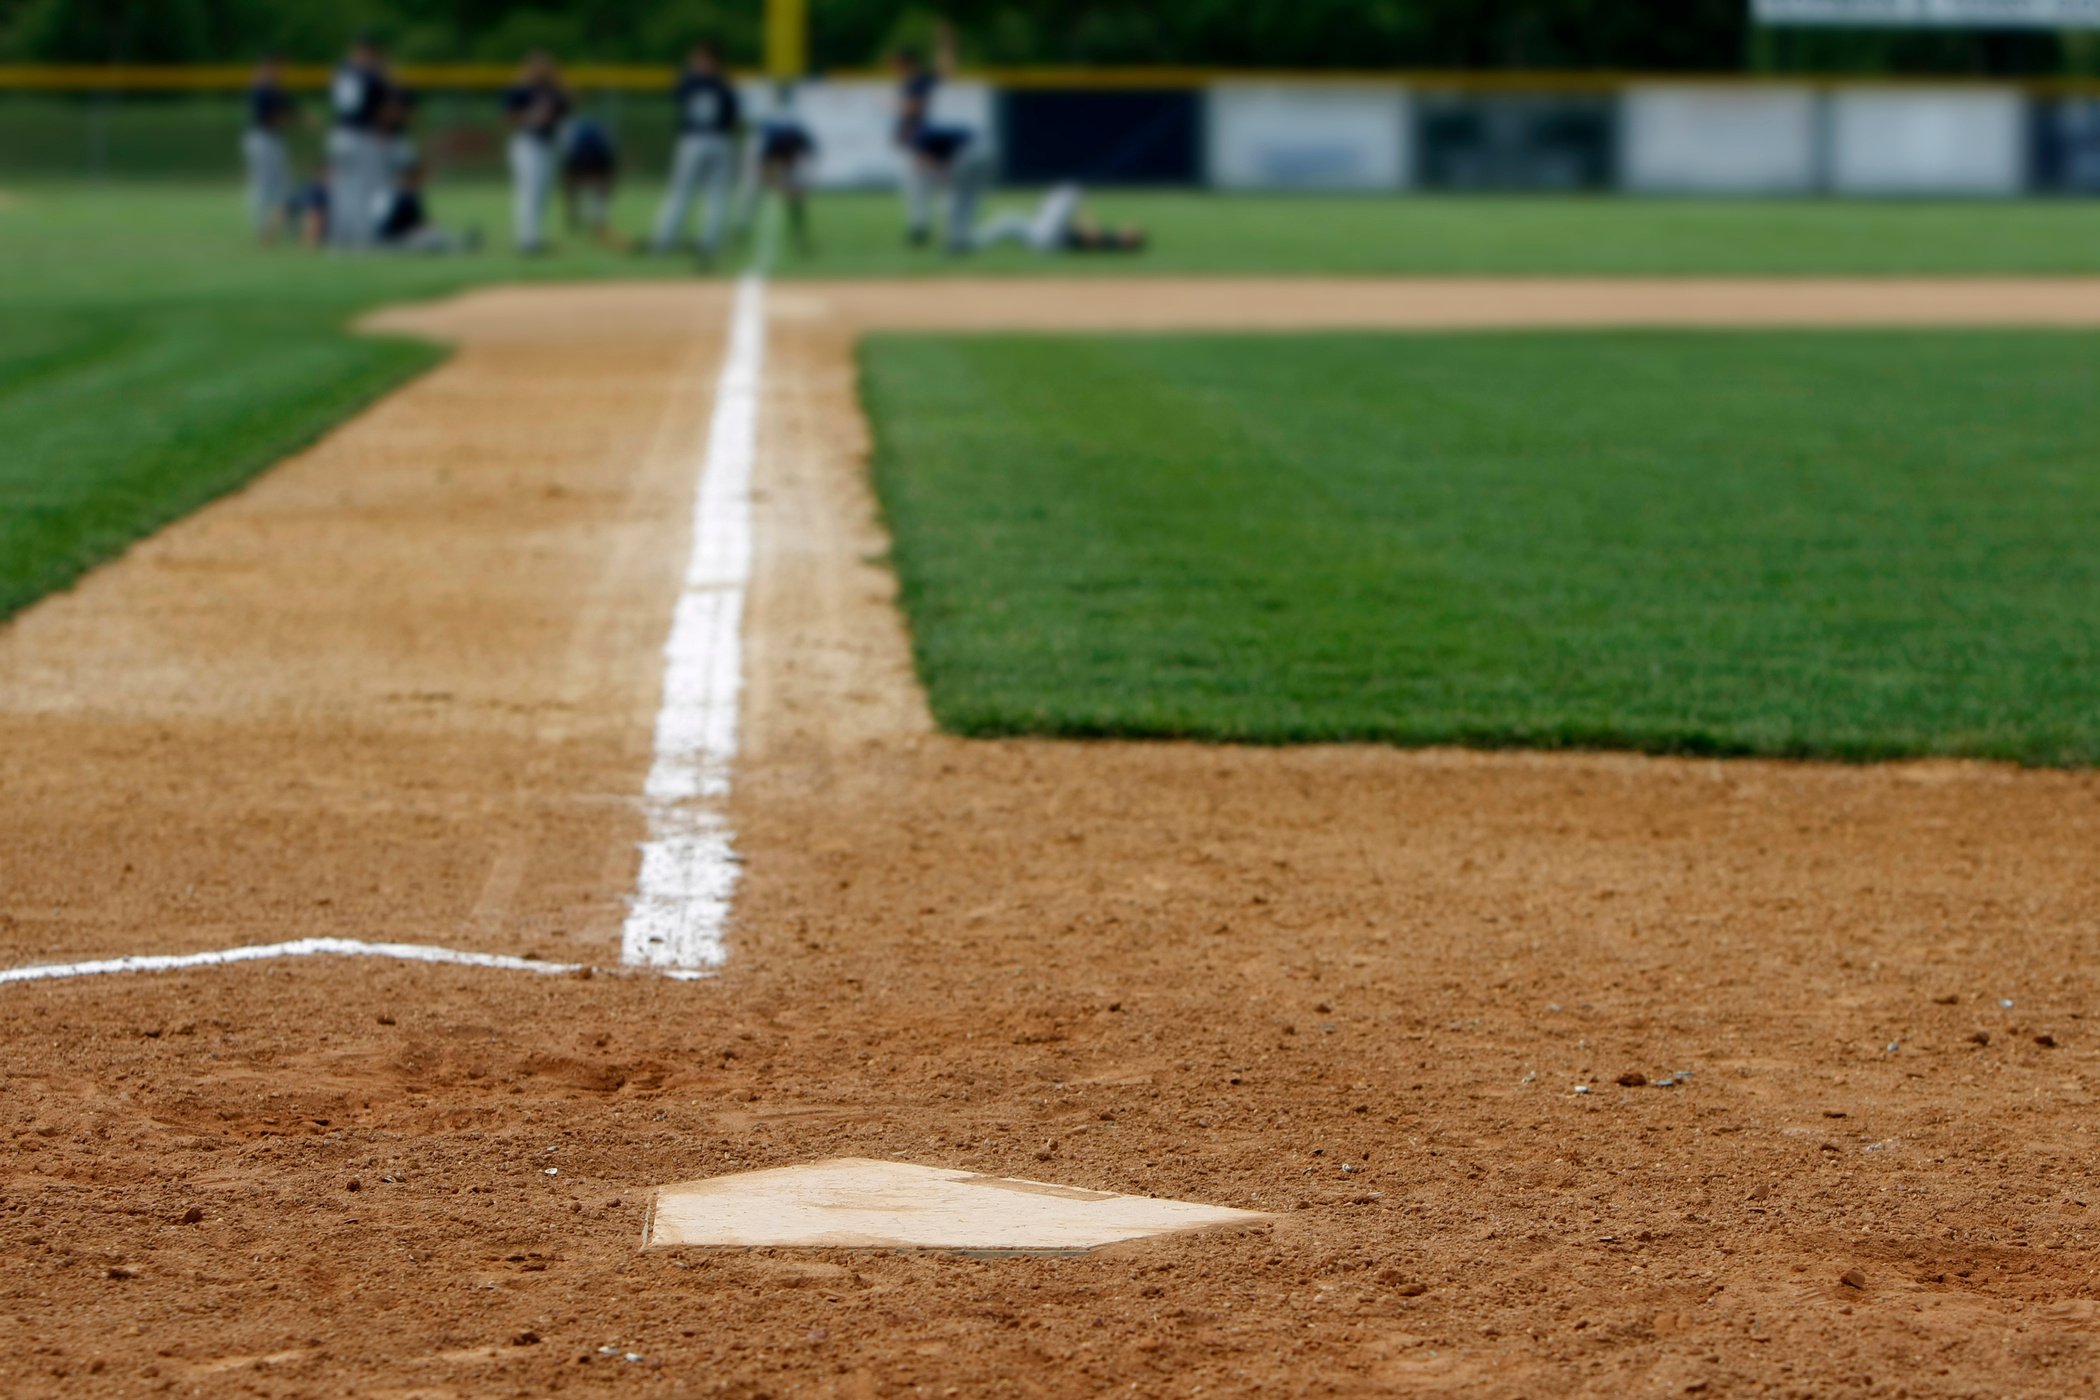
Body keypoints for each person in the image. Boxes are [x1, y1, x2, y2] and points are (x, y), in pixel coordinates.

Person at [891, 22, 987, 254]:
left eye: (897, 62)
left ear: (907, 62)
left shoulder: (919, 80)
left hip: (926, 145)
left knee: (935, 186)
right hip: (920, 145)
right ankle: (923, 228)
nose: (894, 66)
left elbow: (943, 71)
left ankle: (931, 230)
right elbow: (944, 69)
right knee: (920, 189)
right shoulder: (911, 82)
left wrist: (946, 42)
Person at [650, 43, 741, 258]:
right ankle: (708, 241)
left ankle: (665, 239)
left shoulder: (690, 82)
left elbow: (676, 94)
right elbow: (733, 119)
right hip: (718, 139)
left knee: (686, 191)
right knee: (711, 194)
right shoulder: (724, 85)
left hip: (694, 140)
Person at [326, 35, 391, 249]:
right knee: (368, 188)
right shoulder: (372, 76)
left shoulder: (342, 73)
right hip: (362, 136)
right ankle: (364, 238)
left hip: (339, 135)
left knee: (343, 188)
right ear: (370, 53)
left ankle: (340, 237)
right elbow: (382, 111)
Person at [504, 52, 570, 253]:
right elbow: (509, 118)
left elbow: (568, 107)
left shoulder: (554, 91)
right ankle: (527, 240)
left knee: (542, 193)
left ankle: (534, 237)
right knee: (529, 191)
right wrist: (531, 118)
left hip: (549, 145)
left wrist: (561, 84)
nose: (542, 70)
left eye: (546, 66)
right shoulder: (521, 90)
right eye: (538, 66)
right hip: (527, 143)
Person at [971, 183, 1146, 254]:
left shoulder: (1114, 241)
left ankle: (975, 242)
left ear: (1130, 240)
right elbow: (1086, 235)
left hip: (1050, 240)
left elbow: (1090, 238)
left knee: (1068, 194)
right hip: (1049, 237)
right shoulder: (1113, 239)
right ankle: (976, 242)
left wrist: (1087, 221)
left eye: (1132, 232)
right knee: (1008, 219)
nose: (1129, 227)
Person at [737, 110, 817, 255]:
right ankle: (743, 228)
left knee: (796, 197)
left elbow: (808, 164)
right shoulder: (769, 142)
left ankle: (798, 233)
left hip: (779, 154)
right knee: (753, 191)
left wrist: (798, 187)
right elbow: (761, 168)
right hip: (762, 156)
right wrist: (775, 184)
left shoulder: (800, 141)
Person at [242, 54, 295, 241]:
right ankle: (262, 227)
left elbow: (289, 110)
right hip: (262, 140)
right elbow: (272, 119)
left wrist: (295, 118)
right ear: (268, 67)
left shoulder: (273, 89)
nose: (281, 72)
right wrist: (295, 121)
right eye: (278, 68)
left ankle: (283, 226)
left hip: (272, 140)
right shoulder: (261, 90)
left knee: (283, 185)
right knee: (264, 186)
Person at [373, 162, 477, 253]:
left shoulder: (395, 194)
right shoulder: (406, 196)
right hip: (396, 239)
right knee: (434, 237)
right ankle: (459, 246)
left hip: (389, 236)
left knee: (434, 234)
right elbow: (412, 222)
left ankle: (458, 244)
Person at [561, 116, 621, 245]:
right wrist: (572, 210)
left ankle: (598, 222)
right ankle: (582, 217)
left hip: (597, 154)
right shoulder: (575, 153)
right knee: (575, 188)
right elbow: (569, 181)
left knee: (601, 189)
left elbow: (607, 181)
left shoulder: (604, 154)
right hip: (580, 153)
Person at [283, 172, 329, 247]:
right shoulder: (318, 190)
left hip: (306, 190)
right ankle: (309, 241)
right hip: (313, 191)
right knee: (314, 213)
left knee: (286, 210)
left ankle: (309, 240)